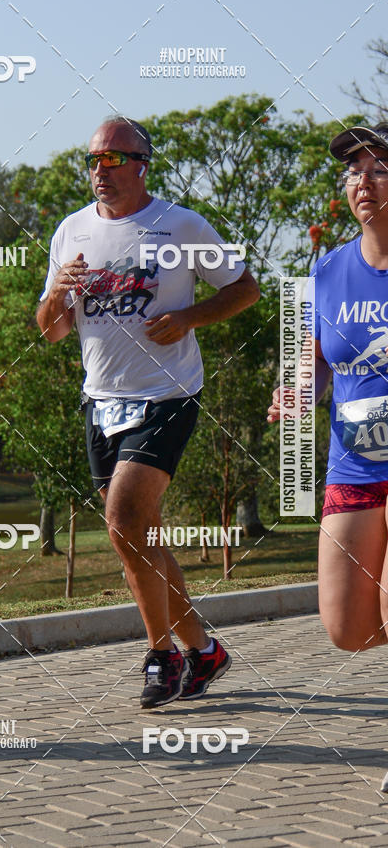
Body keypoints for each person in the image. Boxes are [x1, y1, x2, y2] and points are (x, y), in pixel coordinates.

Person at [37, 116, 260, 708]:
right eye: (91, 160)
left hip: (167, 395)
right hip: (100, 400)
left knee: (124, 522)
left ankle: (160, 656)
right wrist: (59, 292)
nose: (98, 171)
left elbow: (245, 290)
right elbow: (53, 331)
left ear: (141, 164)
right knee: (139, 537)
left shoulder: (180, 225)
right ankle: (203, 651)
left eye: (112, 160)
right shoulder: (71, 232)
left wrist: (188, 318)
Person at [268, 124, 388, 788]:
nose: (362, 183)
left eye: (377, 170)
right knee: (347, 628)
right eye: (353, 173)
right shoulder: (327, 270)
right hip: (355, 465)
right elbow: (316, 367)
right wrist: (297, 393)